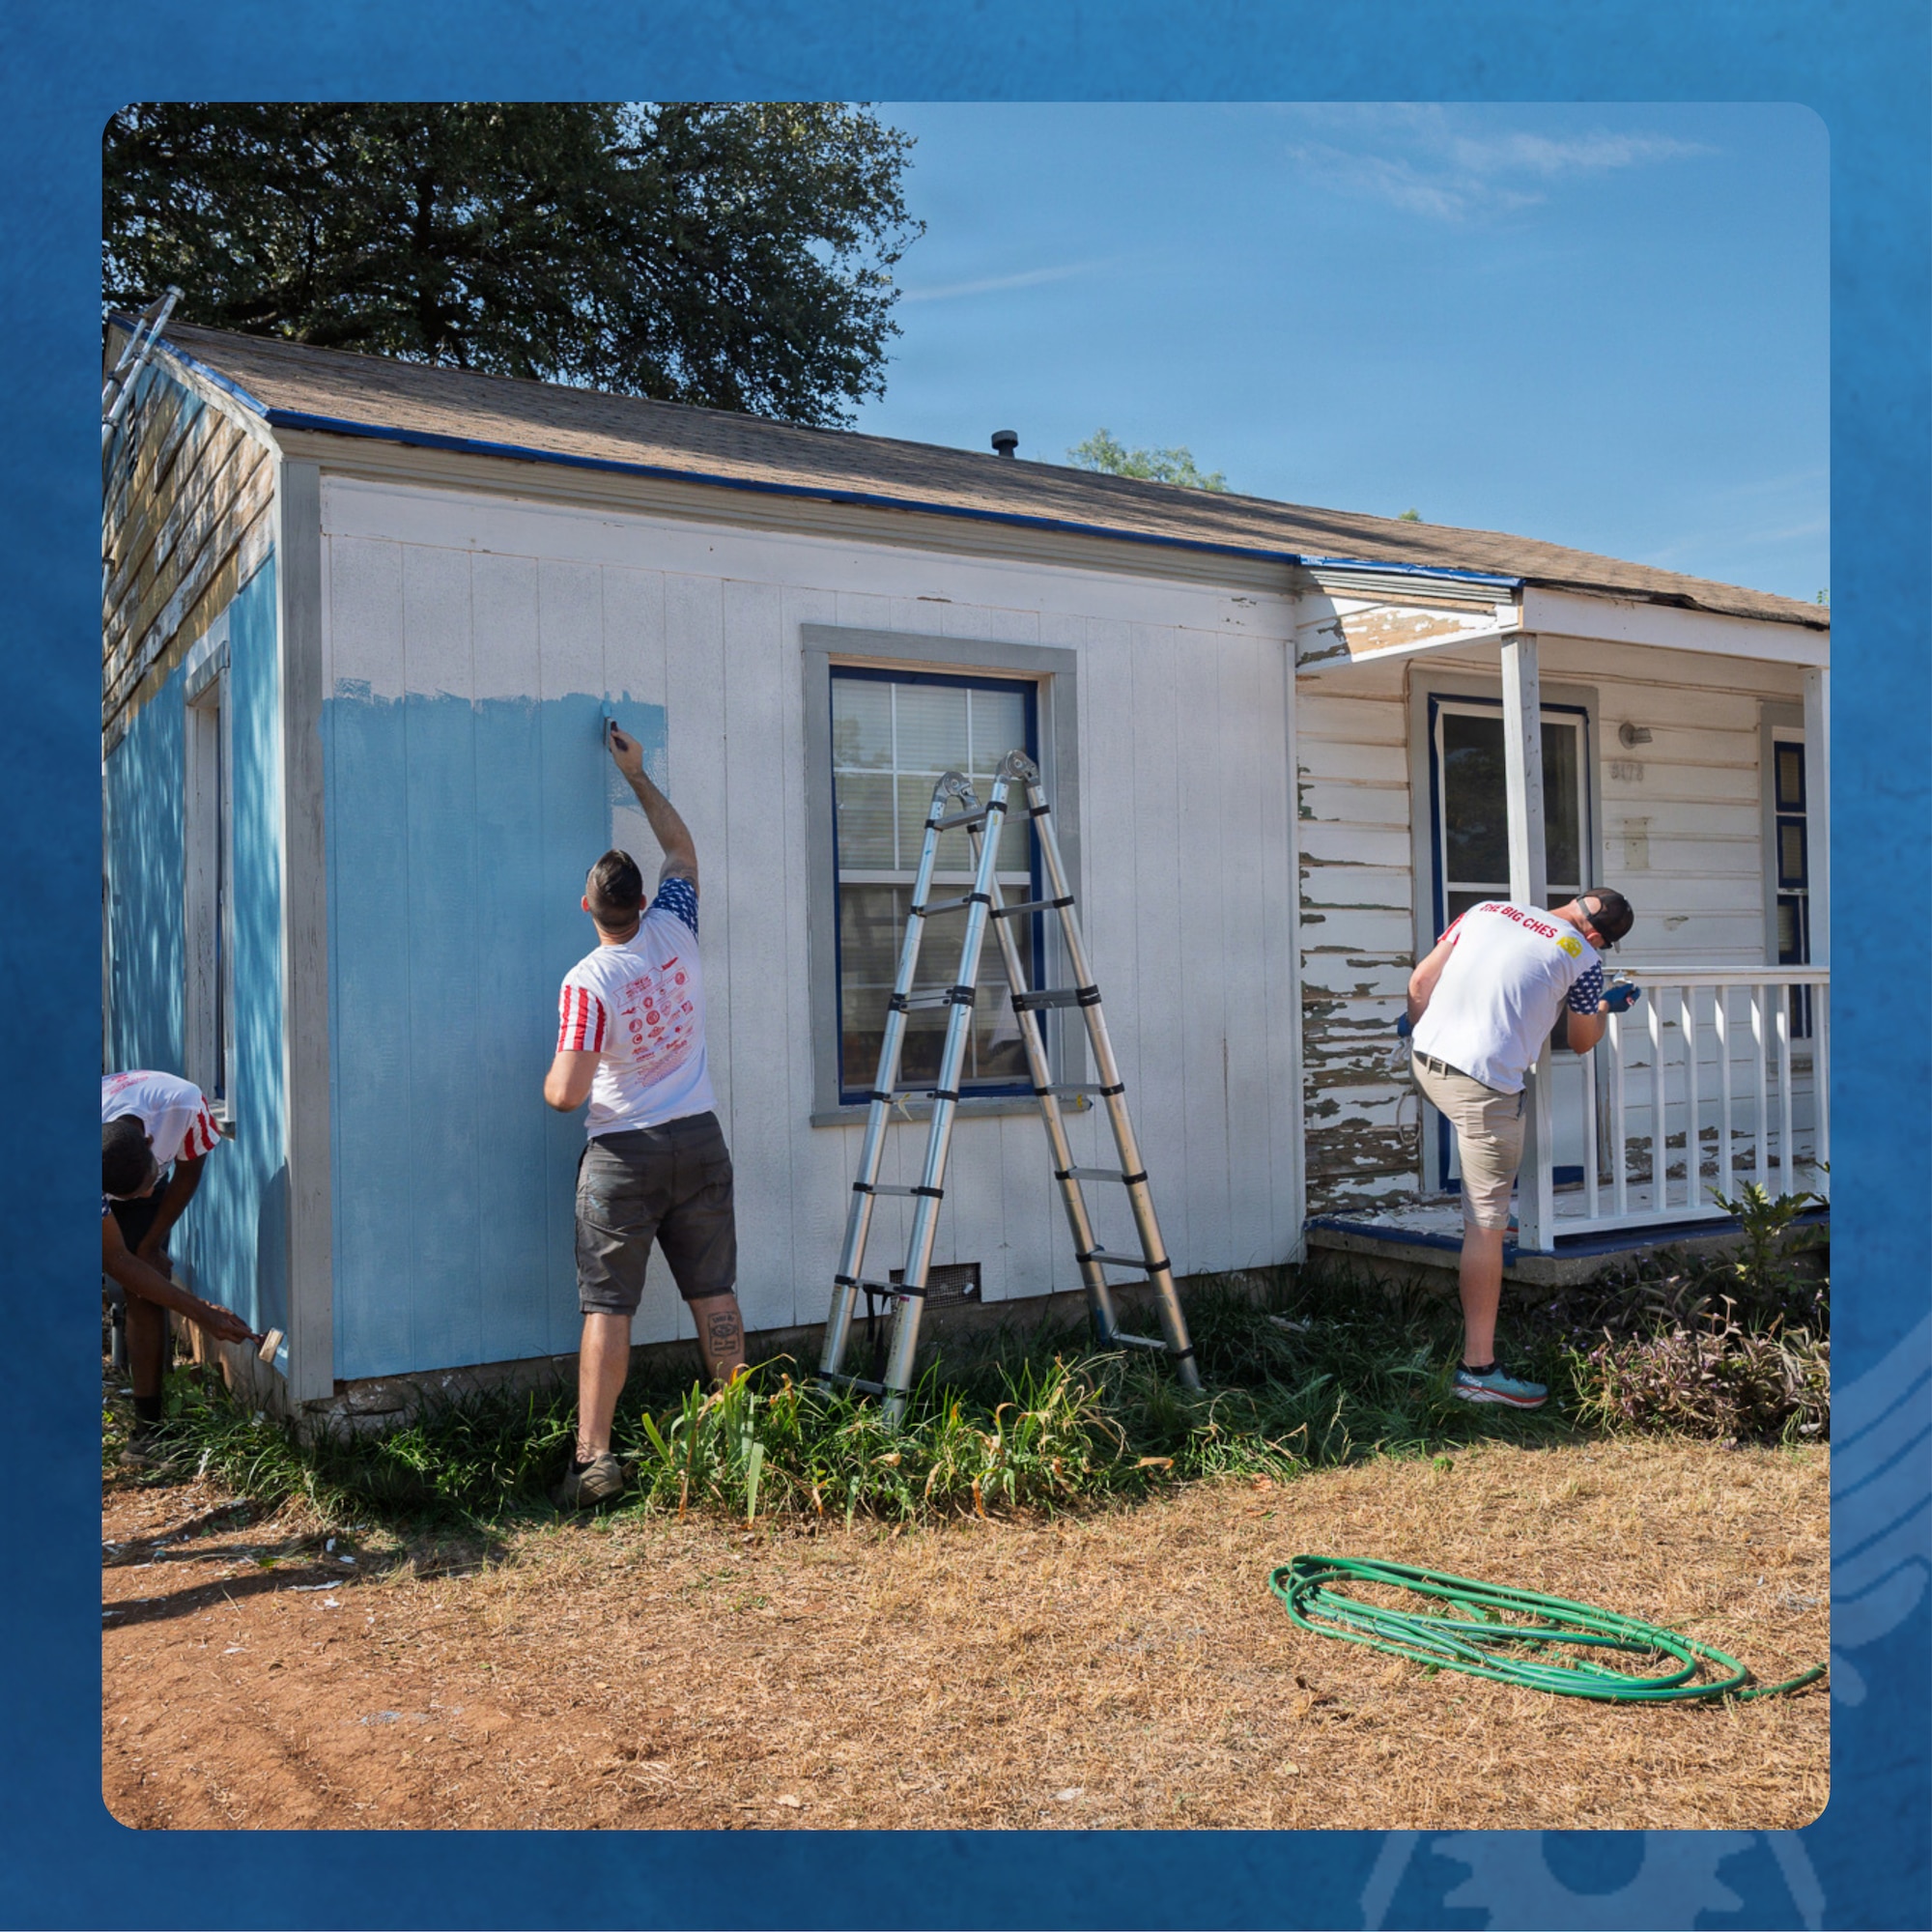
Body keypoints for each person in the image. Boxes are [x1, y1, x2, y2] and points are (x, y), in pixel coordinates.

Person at [542, 724, 747, 1509]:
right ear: (641, 903)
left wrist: (551, 1080)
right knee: (714, 1291)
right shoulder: (678, 927)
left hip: (624, 1157)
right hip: (699, 1139)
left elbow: (566, 1093)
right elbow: (683, 851)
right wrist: (638, 776)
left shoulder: (588, 982)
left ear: (588, 906)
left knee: (609, 1307)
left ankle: (594, 1462)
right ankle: (738, 1438)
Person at [1406, 890, 1640, 1408]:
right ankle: (1478, 1371)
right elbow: (1581, 1040)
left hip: (1426, 1061)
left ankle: (1496, 1207)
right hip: (1484, 1088)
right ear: (1599, 936)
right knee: (1484, 1226)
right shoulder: (1584, 956)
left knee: (1489, 1159)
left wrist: (1425, 1031)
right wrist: (1603, 1004)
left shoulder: (1487, 910)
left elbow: (1420, 982)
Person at [101, 1070, 252, 1460]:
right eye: (140, 1192)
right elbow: (115, 1258)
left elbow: (189, 1169)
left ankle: (147, 1431)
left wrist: (150, 1244)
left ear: (152, 1142)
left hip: (128, 1157)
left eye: (150, 1182)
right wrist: (202, 1313)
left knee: (145, 1287)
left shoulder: (183, 1104)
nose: (149, 1192)